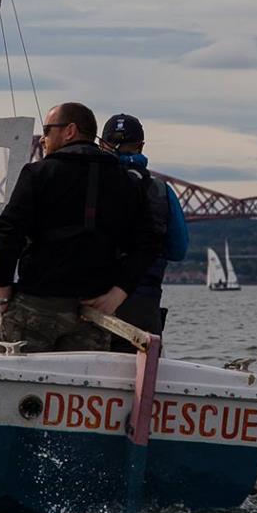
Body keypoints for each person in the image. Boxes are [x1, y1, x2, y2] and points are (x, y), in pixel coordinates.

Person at [0, 102, 158, 353]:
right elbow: (148, 242)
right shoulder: (125, 180)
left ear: (69, 130)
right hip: (94, 311)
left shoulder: (38, 173)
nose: (43, 139)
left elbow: (8, 232)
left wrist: (3, 293)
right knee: (80, 386)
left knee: (17, 382)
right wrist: (118, 294)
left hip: (36, 302)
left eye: (47, 130)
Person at [100, 113, 189, 353]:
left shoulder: (90, 182)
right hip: (144, 307)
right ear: (141, 145)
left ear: (102, 144)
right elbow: (178, 250)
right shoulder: (161, 190)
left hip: (93, 302)